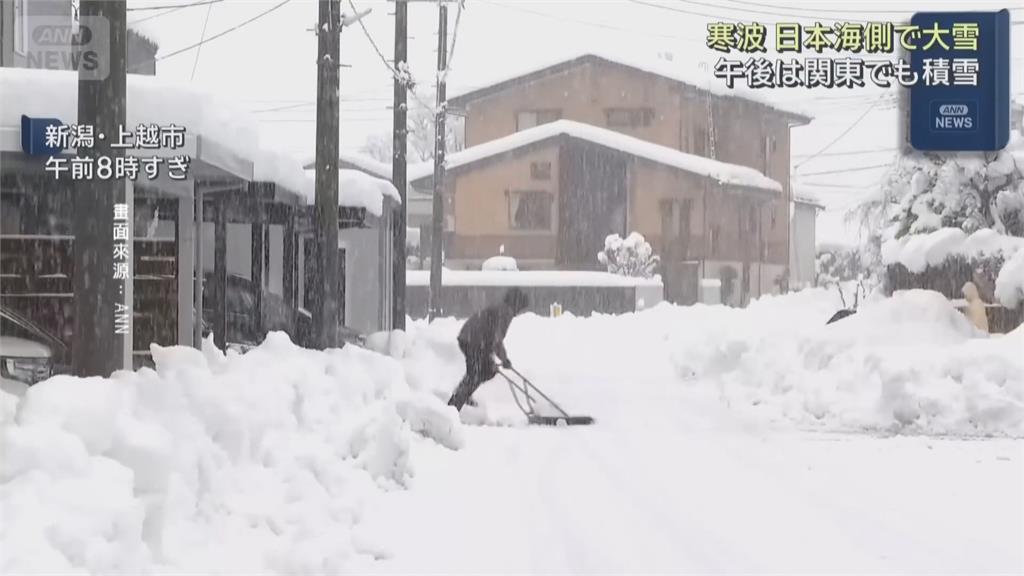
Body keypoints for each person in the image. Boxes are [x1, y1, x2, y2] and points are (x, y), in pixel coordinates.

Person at [448, 287, 530, 410]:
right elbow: (496, 339)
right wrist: (504, 359)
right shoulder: (505, 312)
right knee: (479, 372)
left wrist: (500, 357)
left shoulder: (502, 308)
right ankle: (454, 405)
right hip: (474, 342)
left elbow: (493, 337)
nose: (520, 312)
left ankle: (462, 394)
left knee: (483, 371)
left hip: (471, 339)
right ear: (517, 304)